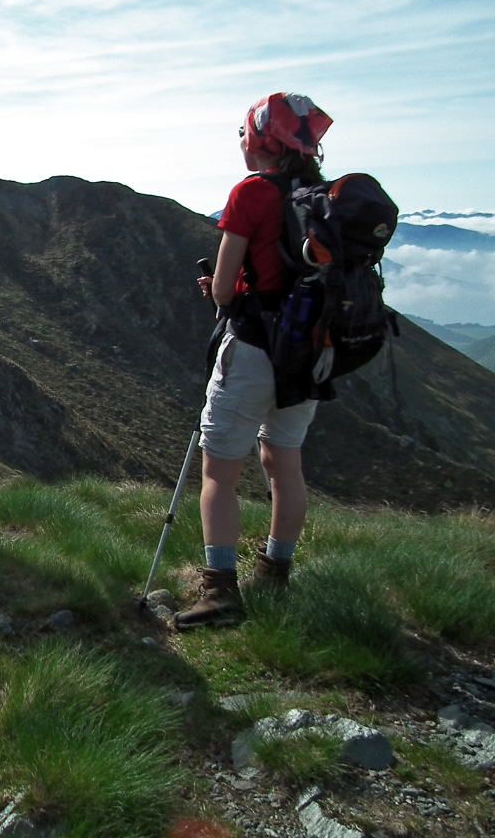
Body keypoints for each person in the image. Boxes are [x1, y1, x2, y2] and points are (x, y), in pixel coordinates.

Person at [173, 93, 333, 631]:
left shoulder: (250, 193)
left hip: (255, 348)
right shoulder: (324, 197)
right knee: (285, 463)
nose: (240, 142)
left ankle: (220, 591)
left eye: (243, 133)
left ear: (264, 140)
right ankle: (275, 572)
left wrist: (225, 290)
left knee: (219, 468)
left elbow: (222, 291)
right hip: (312, 352)